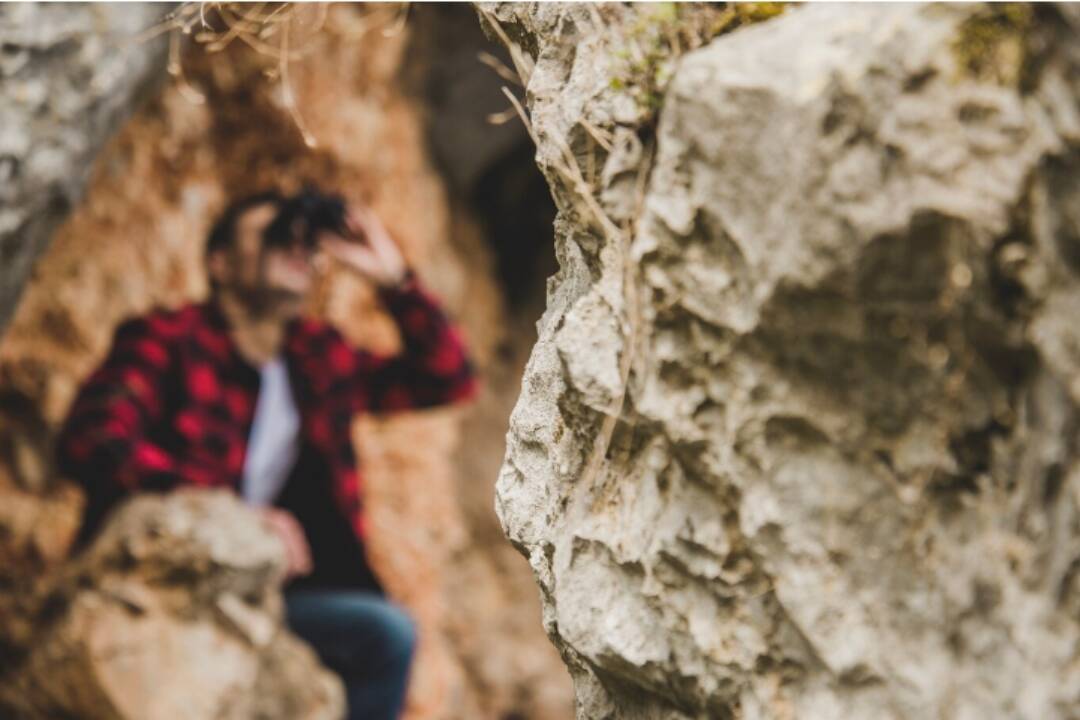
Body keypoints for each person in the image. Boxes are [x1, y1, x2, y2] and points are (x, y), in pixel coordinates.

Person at [55, 189, 478, 720]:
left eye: (304, 241)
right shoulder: (169, 339)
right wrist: (231, 519)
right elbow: (91, 441)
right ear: (221, 263)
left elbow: (447, 378)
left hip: (271, 598)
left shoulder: (318, 359)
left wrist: (390, 276)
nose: (296, 250)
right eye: (275, 237)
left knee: (386, 633)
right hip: (167, 586)